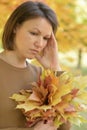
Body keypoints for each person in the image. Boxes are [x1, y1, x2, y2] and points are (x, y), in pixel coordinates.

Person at [0, 1, 71, 130]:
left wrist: (55, 68)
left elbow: (65, 126)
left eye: (45, 38)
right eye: (34, 33)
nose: (39, 44)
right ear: (15, 27)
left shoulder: (41, 76)